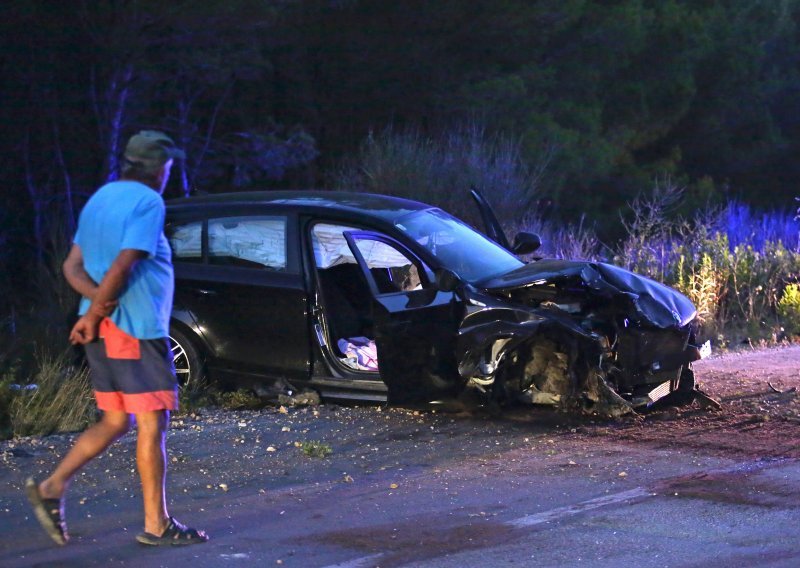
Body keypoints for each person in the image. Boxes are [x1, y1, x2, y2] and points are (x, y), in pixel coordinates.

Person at [25, 130, 208, 546]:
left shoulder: (101, 198)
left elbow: (72, 266)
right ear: (158, 168)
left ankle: (53, 487)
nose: (168, 175)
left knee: (115, 421)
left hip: (105, 331)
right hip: (136, 329)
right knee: (151, 422)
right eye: (168, 168)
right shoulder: (148, 202)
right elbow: (126, 263)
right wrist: (98, 310)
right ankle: (156, 526)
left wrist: (91, 310)